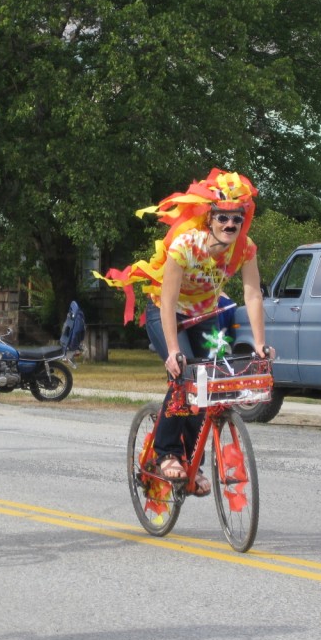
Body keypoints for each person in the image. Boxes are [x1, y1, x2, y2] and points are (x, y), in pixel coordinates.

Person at [96, 168, 272, 494]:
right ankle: (166, 454)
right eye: (223, 218)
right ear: (210, 218)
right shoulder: (186, 246)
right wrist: (174, 351)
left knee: (209, 391)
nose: (230, 225)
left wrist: (261, 345)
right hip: (166, 311)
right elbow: (168, 299)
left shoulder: (245, 248)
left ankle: (193, 467)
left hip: (204, 313)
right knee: (186, 379)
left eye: (237, 218)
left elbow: (252, 295)